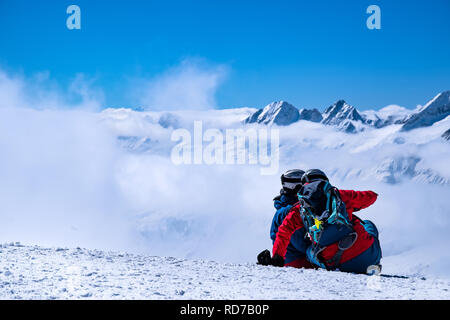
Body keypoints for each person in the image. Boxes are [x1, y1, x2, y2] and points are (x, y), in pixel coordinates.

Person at [270, 169, 382, 274]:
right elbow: (372, 197)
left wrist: (277, 256)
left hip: (334, 262)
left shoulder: (298, 208)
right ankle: (374, 262)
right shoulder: (340, 195)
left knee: (310, 251)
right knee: (368, 224)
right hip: (367, 256)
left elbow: (283, 232)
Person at [258, 169, 313, 268]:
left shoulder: (286, 208)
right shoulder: (289, 211)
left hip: (290, 259)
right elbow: (300, 243)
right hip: (297, 261)